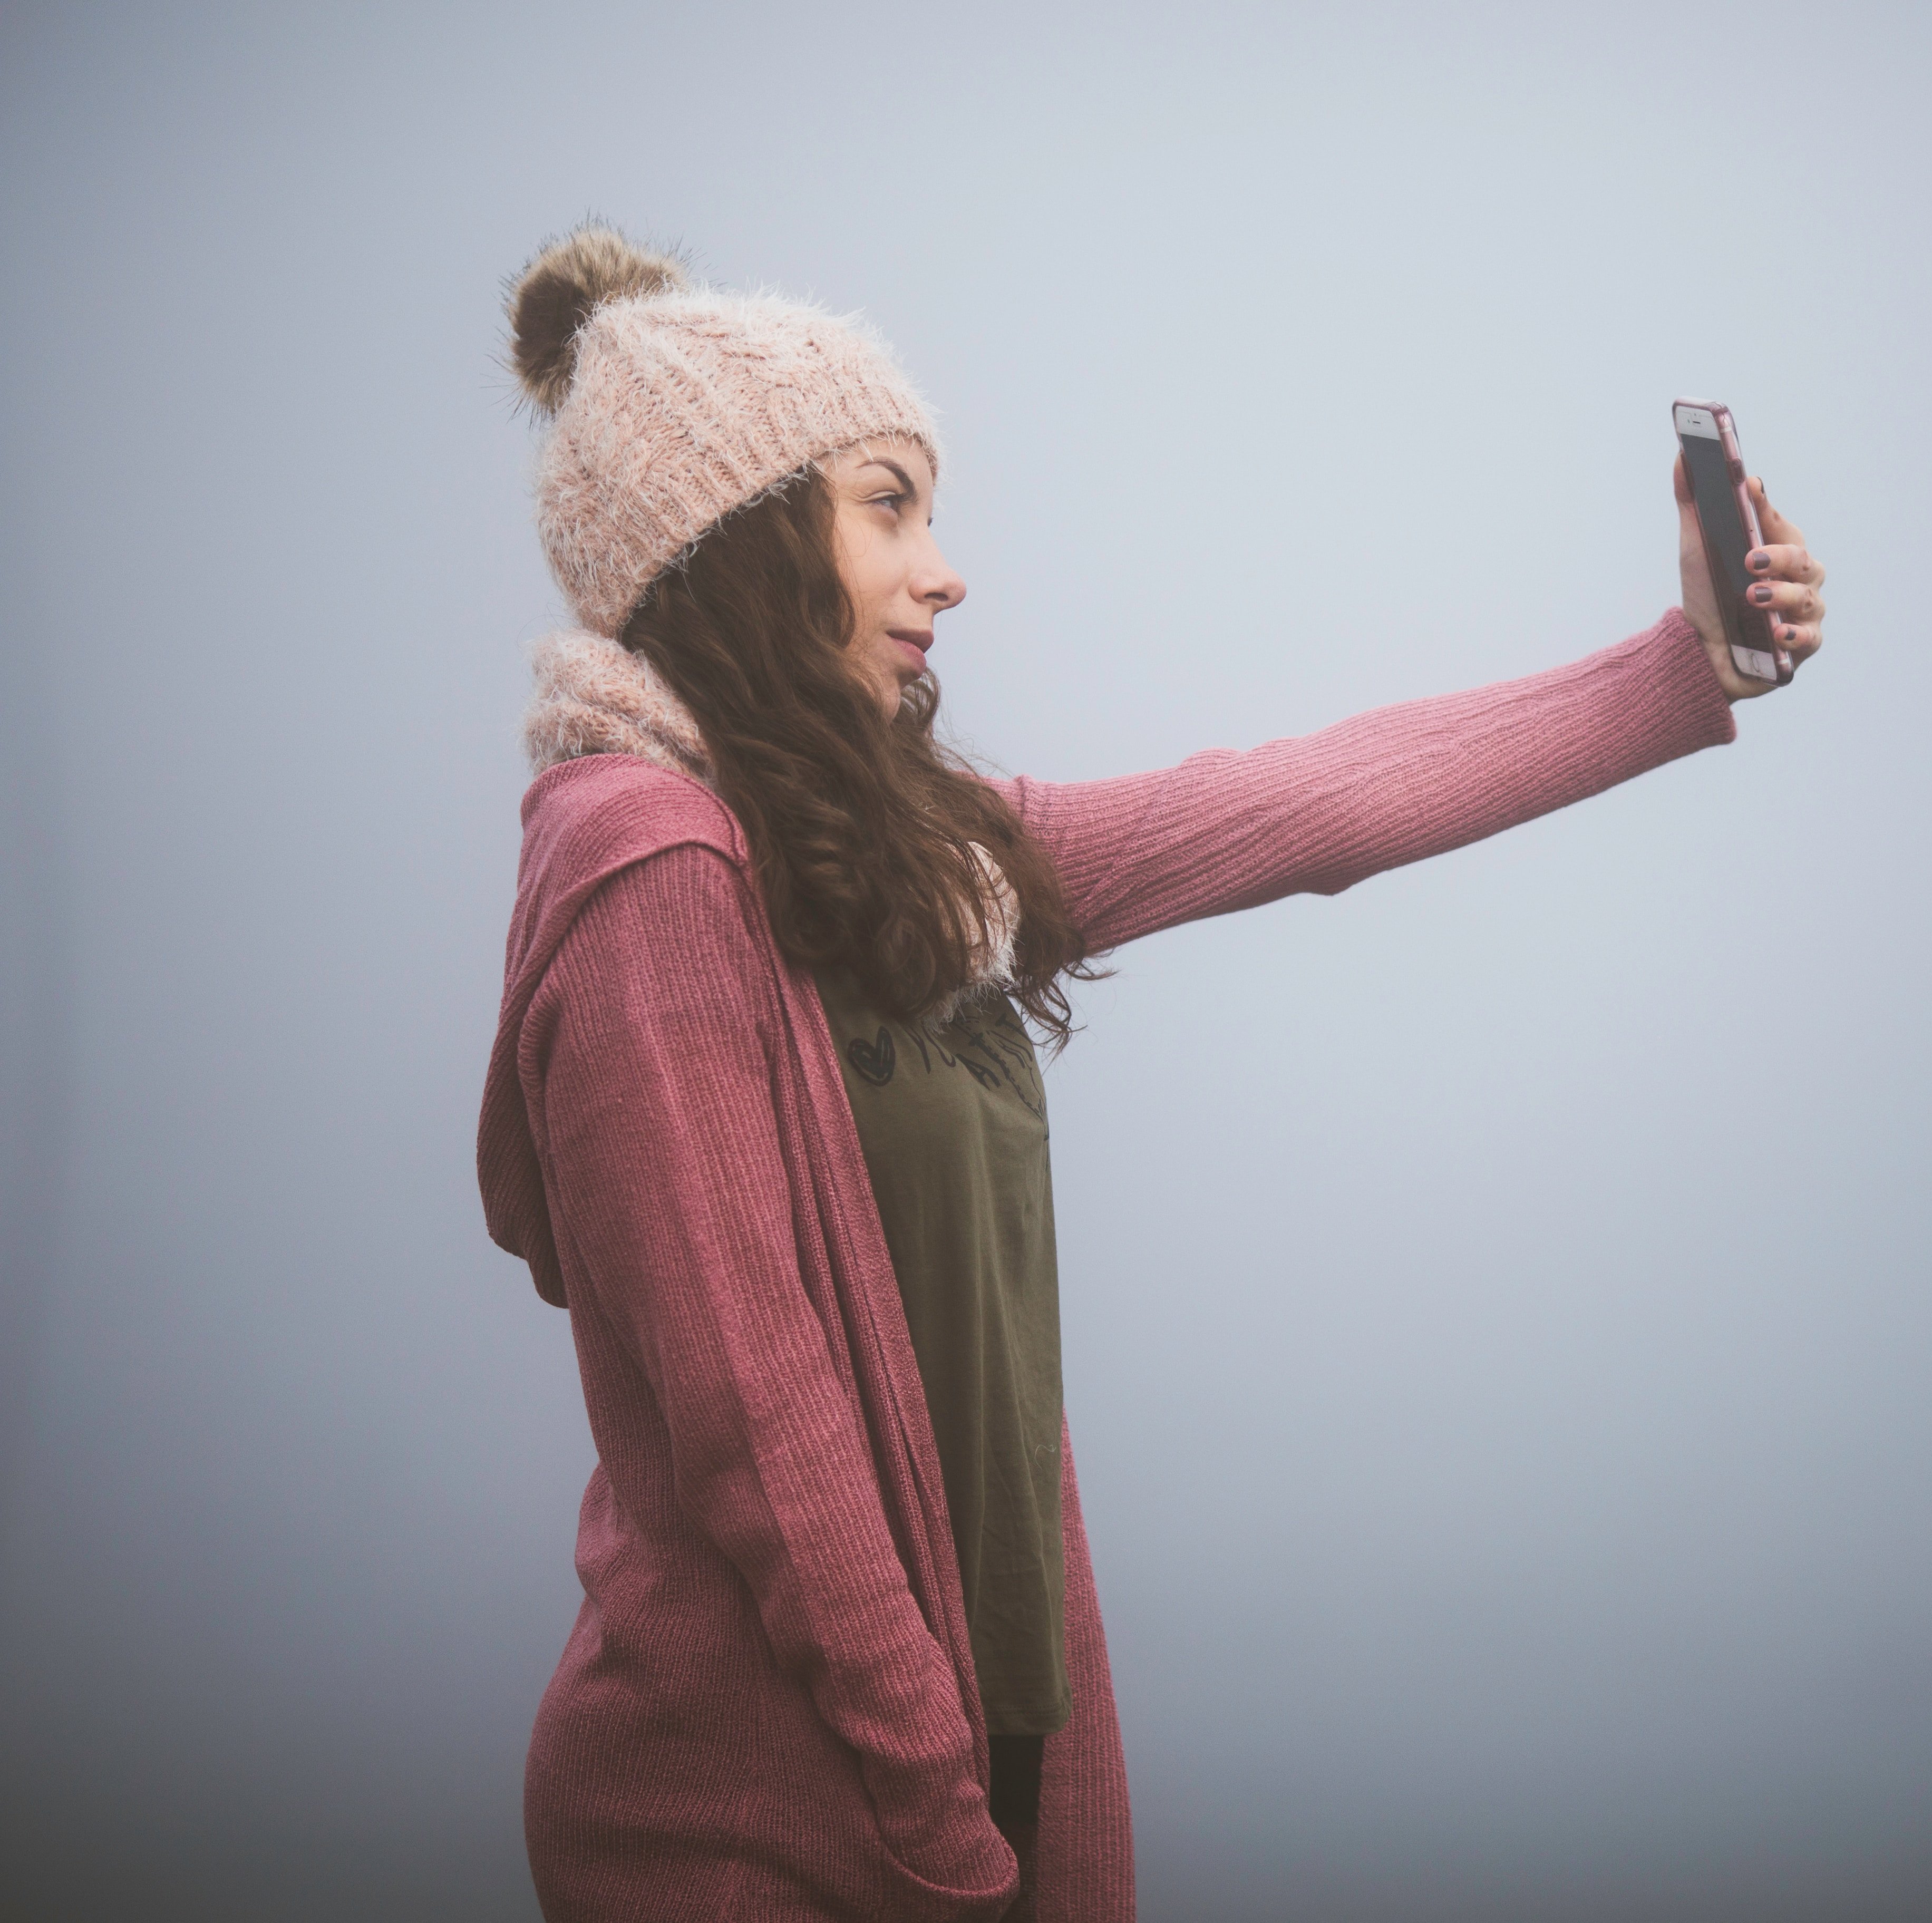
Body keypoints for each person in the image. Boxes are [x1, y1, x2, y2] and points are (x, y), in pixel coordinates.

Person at [475, 225, 1828, 1923]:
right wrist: (936, 1821)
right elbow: (768, 1425)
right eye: (889, 505)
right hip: (766, 1825)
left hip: (983, 1760)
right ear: (740, 540)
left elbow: (1302, 808)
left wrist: (1682, 665)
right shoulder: (653, 875)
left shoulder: (906, 862)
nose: (947, 568)